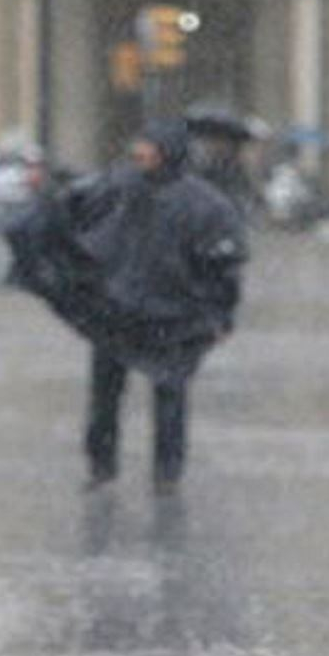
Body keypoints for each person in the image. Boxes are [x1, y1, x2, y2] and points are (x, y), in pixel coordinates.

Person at [78, 120, 245, 493]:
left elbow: (223, 266)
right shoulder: (119, 189)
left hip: (171, 315)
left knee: (169, 394)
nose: (139, 154)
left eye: (148, 147)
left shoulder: (202, 204)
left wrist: (221, 314)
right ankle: (101, 465)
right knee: (105, 394)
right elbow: (87, 232)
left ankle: (167, 471)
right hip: (116, 311)